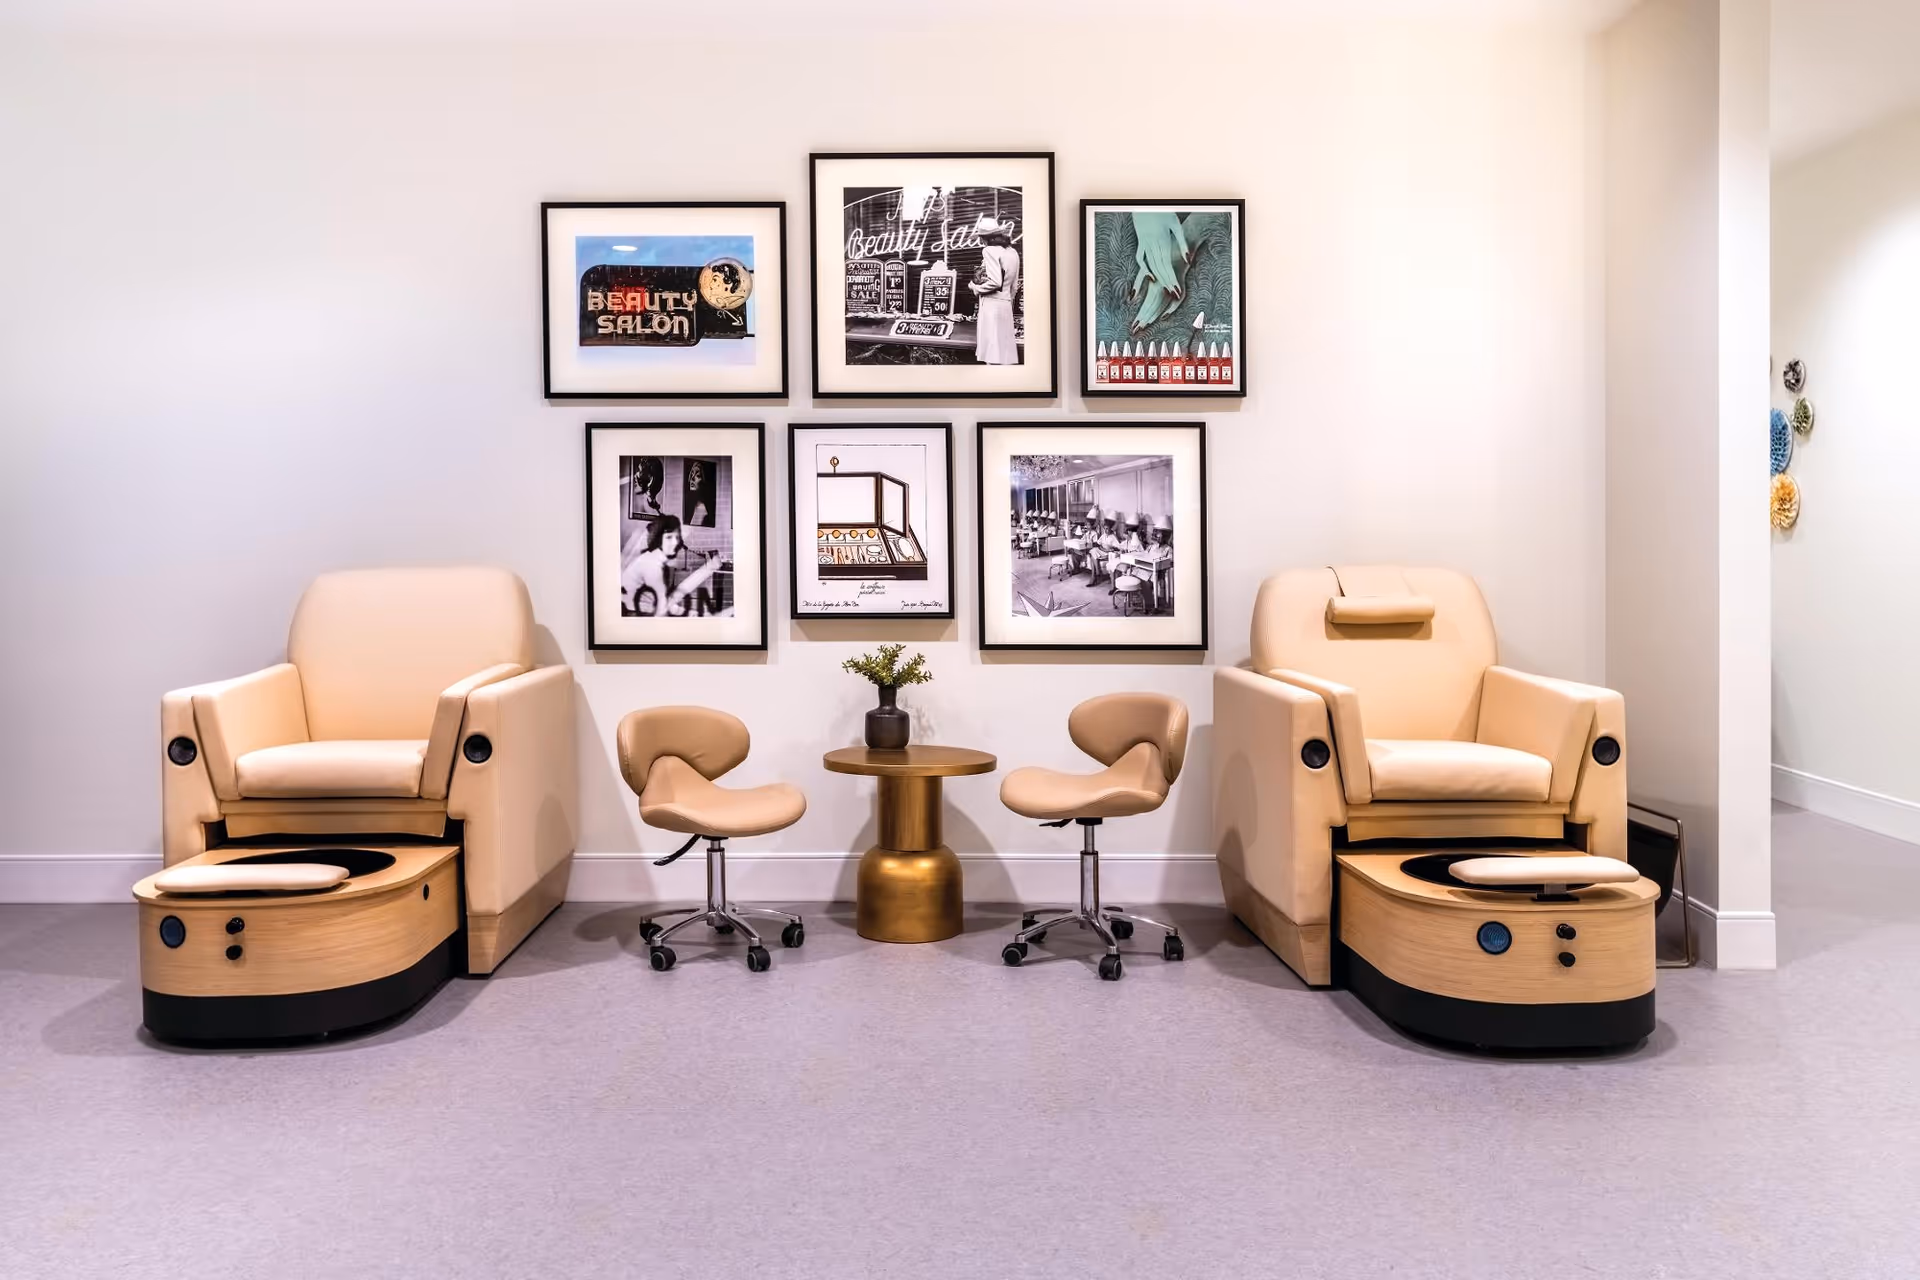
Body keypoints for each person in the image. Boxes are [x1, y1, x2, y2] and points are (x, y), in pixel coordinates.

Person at [969, 215, 1021, 366]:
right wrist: (1007, 299)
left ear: (985, 238)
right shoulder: (1012, 252)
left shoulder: (989, 250)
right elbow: (1014, 286)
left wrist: (976, 288)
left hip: (991, 306)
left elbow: (995, 281)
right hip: (1006, 305)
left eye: (981, 237)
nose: (981, 241)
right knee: (1004, 354)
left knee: (991, 353)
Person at [622, 515, 683, 617]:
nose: (675, 542)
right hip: (637, 612)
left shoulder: (654, 558)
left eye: (677, 537)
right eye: (669, 537)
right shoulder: (650, 562)